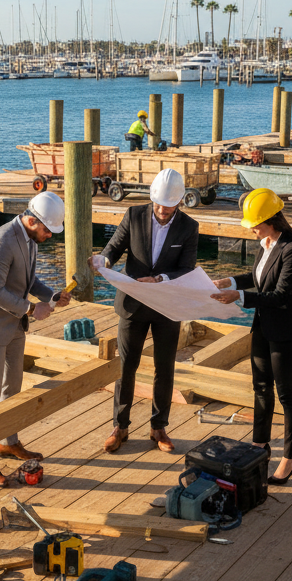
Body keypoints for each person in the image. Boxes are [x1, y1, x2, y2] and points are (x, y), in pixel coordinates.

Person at [0, 191, 72, 486]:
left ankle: (7, 441)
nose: (50, 236)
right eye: (48, 230)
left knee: (12, 386)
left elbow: (28, 280)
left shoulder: (29, 238)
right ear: (32, 220)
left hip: (13, 323)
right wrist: (30, 307)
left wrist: (51, 296)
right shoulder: (1, 241)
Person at [92, 169, 199, 454]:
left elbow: (186, 269)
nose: (163, 210)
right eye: (159, 204)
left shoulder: (189, 227)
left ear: (180, 202)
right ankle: (120, 426)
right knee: (126, 366)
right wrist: (103, 258)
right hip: (132, 304)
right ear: (152, 198)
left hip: (167, 306)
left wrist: (160, 279)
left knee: (164, 369)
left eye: (170, 205)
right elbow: (114, 247)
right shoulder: (134, 214)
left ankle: (158, 427)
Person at [210, 188, 292, 486]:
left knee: (287, 394)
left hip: (285, 330)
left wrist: (238, 295)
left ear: (271, 219)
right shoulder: (265, 242)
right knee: (261, 387)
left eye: (255, 224)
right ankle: (259, 445)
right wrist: (229, 280)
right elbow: (259, 278)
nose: (251, 229)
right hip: (263, 326)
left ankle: (290, 458)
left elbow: (279, 294)